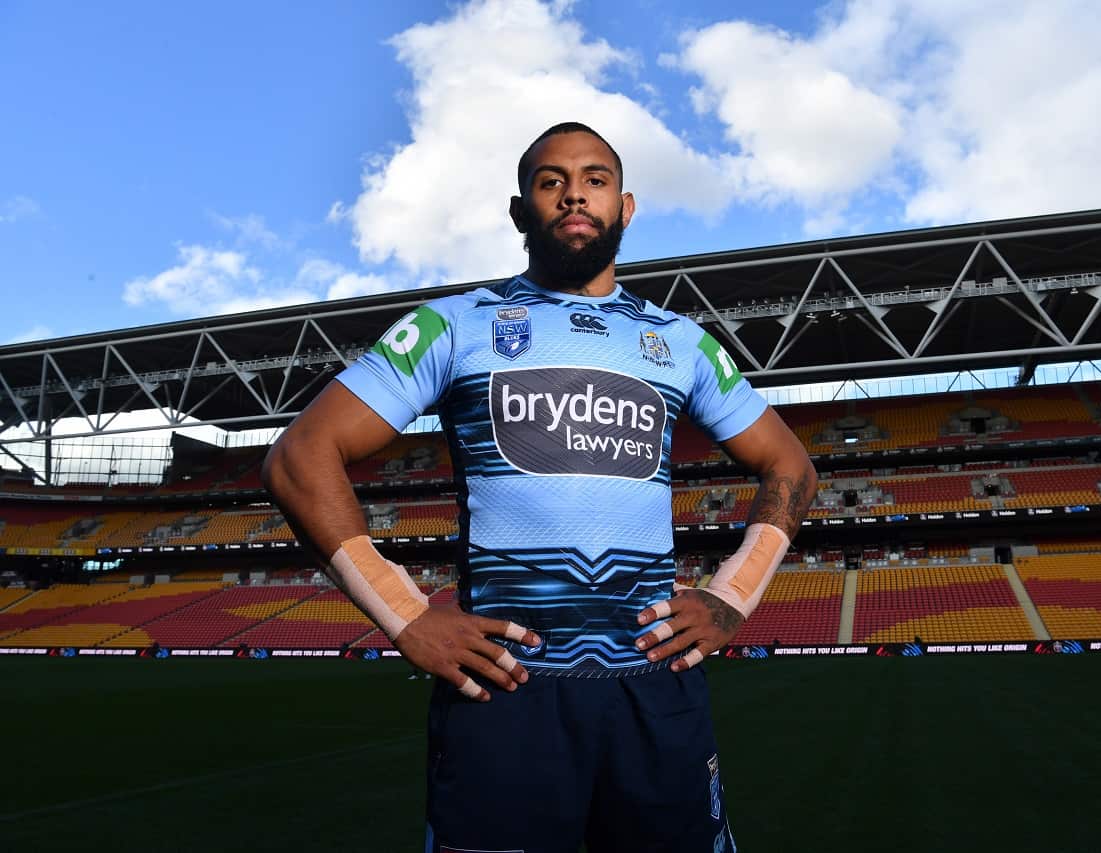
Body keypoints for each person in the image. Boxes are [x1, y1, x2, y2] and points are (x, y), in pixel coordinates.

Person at [262, 122, 817, 853]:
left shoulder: (681, 342)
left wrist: (731, 595)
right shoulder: (454, 326)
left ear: (626, 206)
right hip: (505, 690)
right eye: (551, 181)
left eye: (595, 178)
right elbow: (300, 455)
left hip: (654, 684)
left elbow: (793, 467)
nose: (574, 194)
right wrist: (403, 612)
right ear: (522, 209)